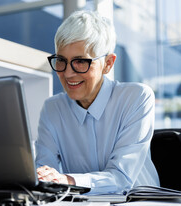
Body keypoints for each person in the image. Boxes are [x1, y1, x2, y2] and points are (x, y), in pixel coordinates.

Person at [35, 10, 160, 195]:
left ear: (108, 63)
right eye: (61, 61)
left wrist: (67, 180)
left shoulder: (137, 98)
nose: (68, 73)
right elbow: (45, 173)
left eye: (80, 62)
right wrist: (44, 178)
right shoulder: (52, 109)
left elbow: (121, 179)